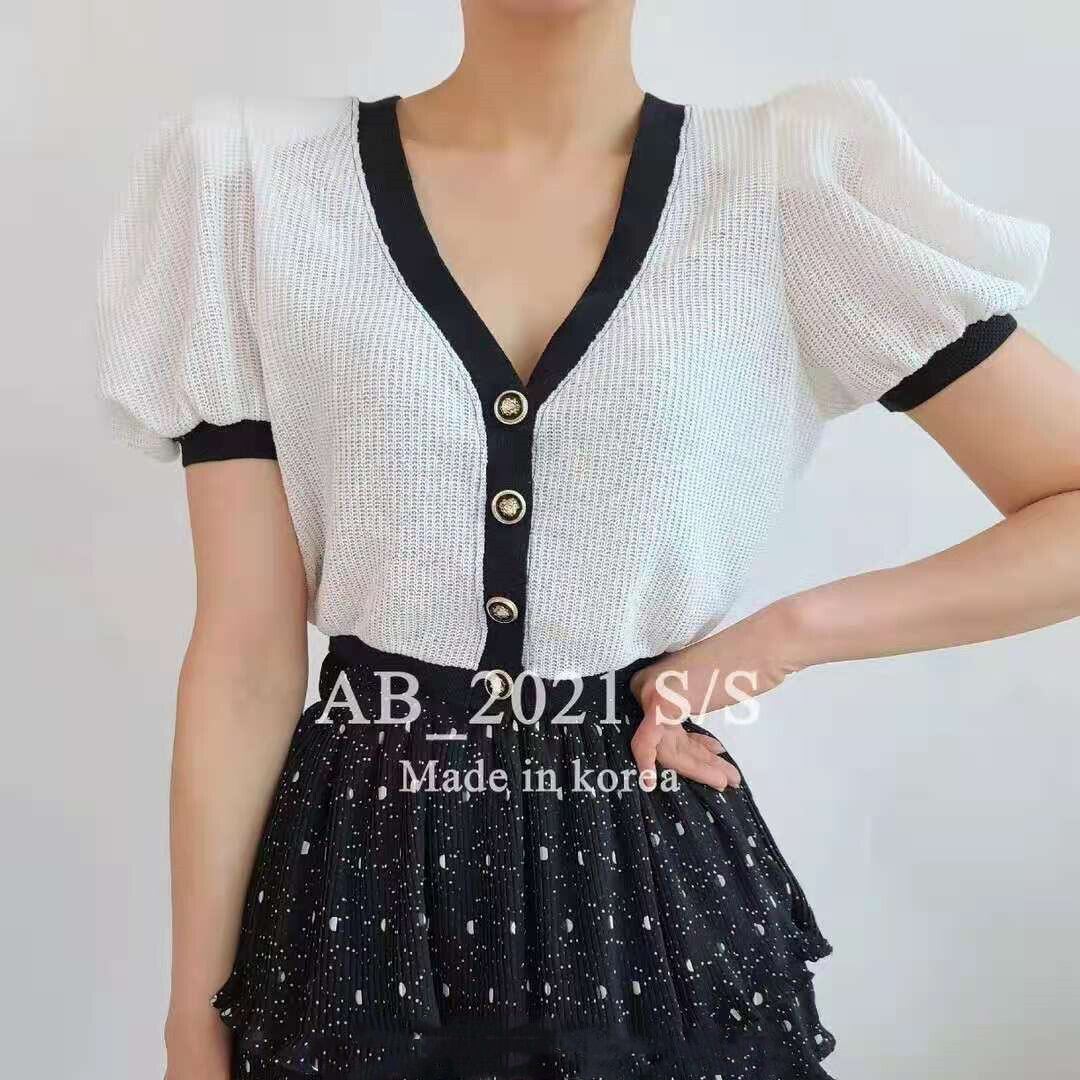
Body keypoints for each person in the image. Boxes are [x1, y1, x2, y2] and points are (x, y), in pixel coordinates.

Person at [94, 2, 1080, 1078]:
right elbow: (246, 654)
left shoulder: (788, 187)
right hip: (359, 910)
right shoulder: (256, 186)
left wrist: (792, 634)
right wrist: (192, 1019)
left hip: (648, 905)